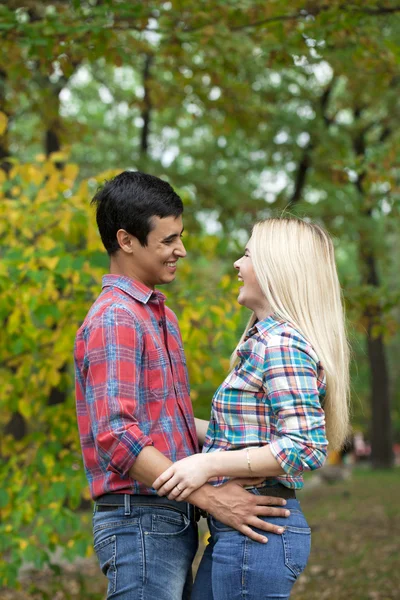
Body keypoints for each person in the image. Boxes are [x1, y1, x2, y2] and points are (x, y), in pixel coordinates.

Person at [74, 172, 289, 600]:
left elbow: (168, 424)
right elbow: (117, 436)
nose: (181, 250)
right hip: (140, 521)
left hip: (167, 517)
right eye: (168, 240)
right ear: (127, 240)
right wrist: (210, 498)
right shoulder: (116, 317)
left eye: (181, 236)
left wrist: (255, 440)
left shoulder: (159, 317)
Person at [153, 217, 350, 600]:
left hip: (256, 539)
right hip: (241, 534)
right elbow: (245, 436)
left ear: (278, 269)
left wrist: (207, 465)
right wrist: (168, 422)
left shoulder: (280, 344)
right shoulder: (265, 342)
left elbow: (305, 446)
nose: (237, 265)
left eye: (247, 255)